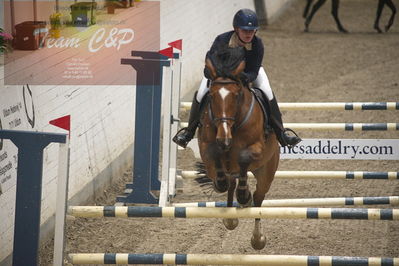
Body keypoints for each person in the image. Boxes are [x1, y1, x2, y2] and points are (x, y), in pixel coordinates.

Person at [173, 8, 301, 149]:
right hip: (221, 75)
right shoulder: (222, 40)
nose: (248, 34)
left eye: (251, 31)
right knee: (201, 93)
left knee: (267, 91)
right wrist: (217, 75)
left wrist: (243, 77)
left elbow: (254, 70)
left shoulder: (257, 44)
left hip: (246, 74)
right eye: (245, 30)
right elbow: (208, 65)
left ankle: (282, 133)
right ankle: (188, 132)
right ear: (236, 29)